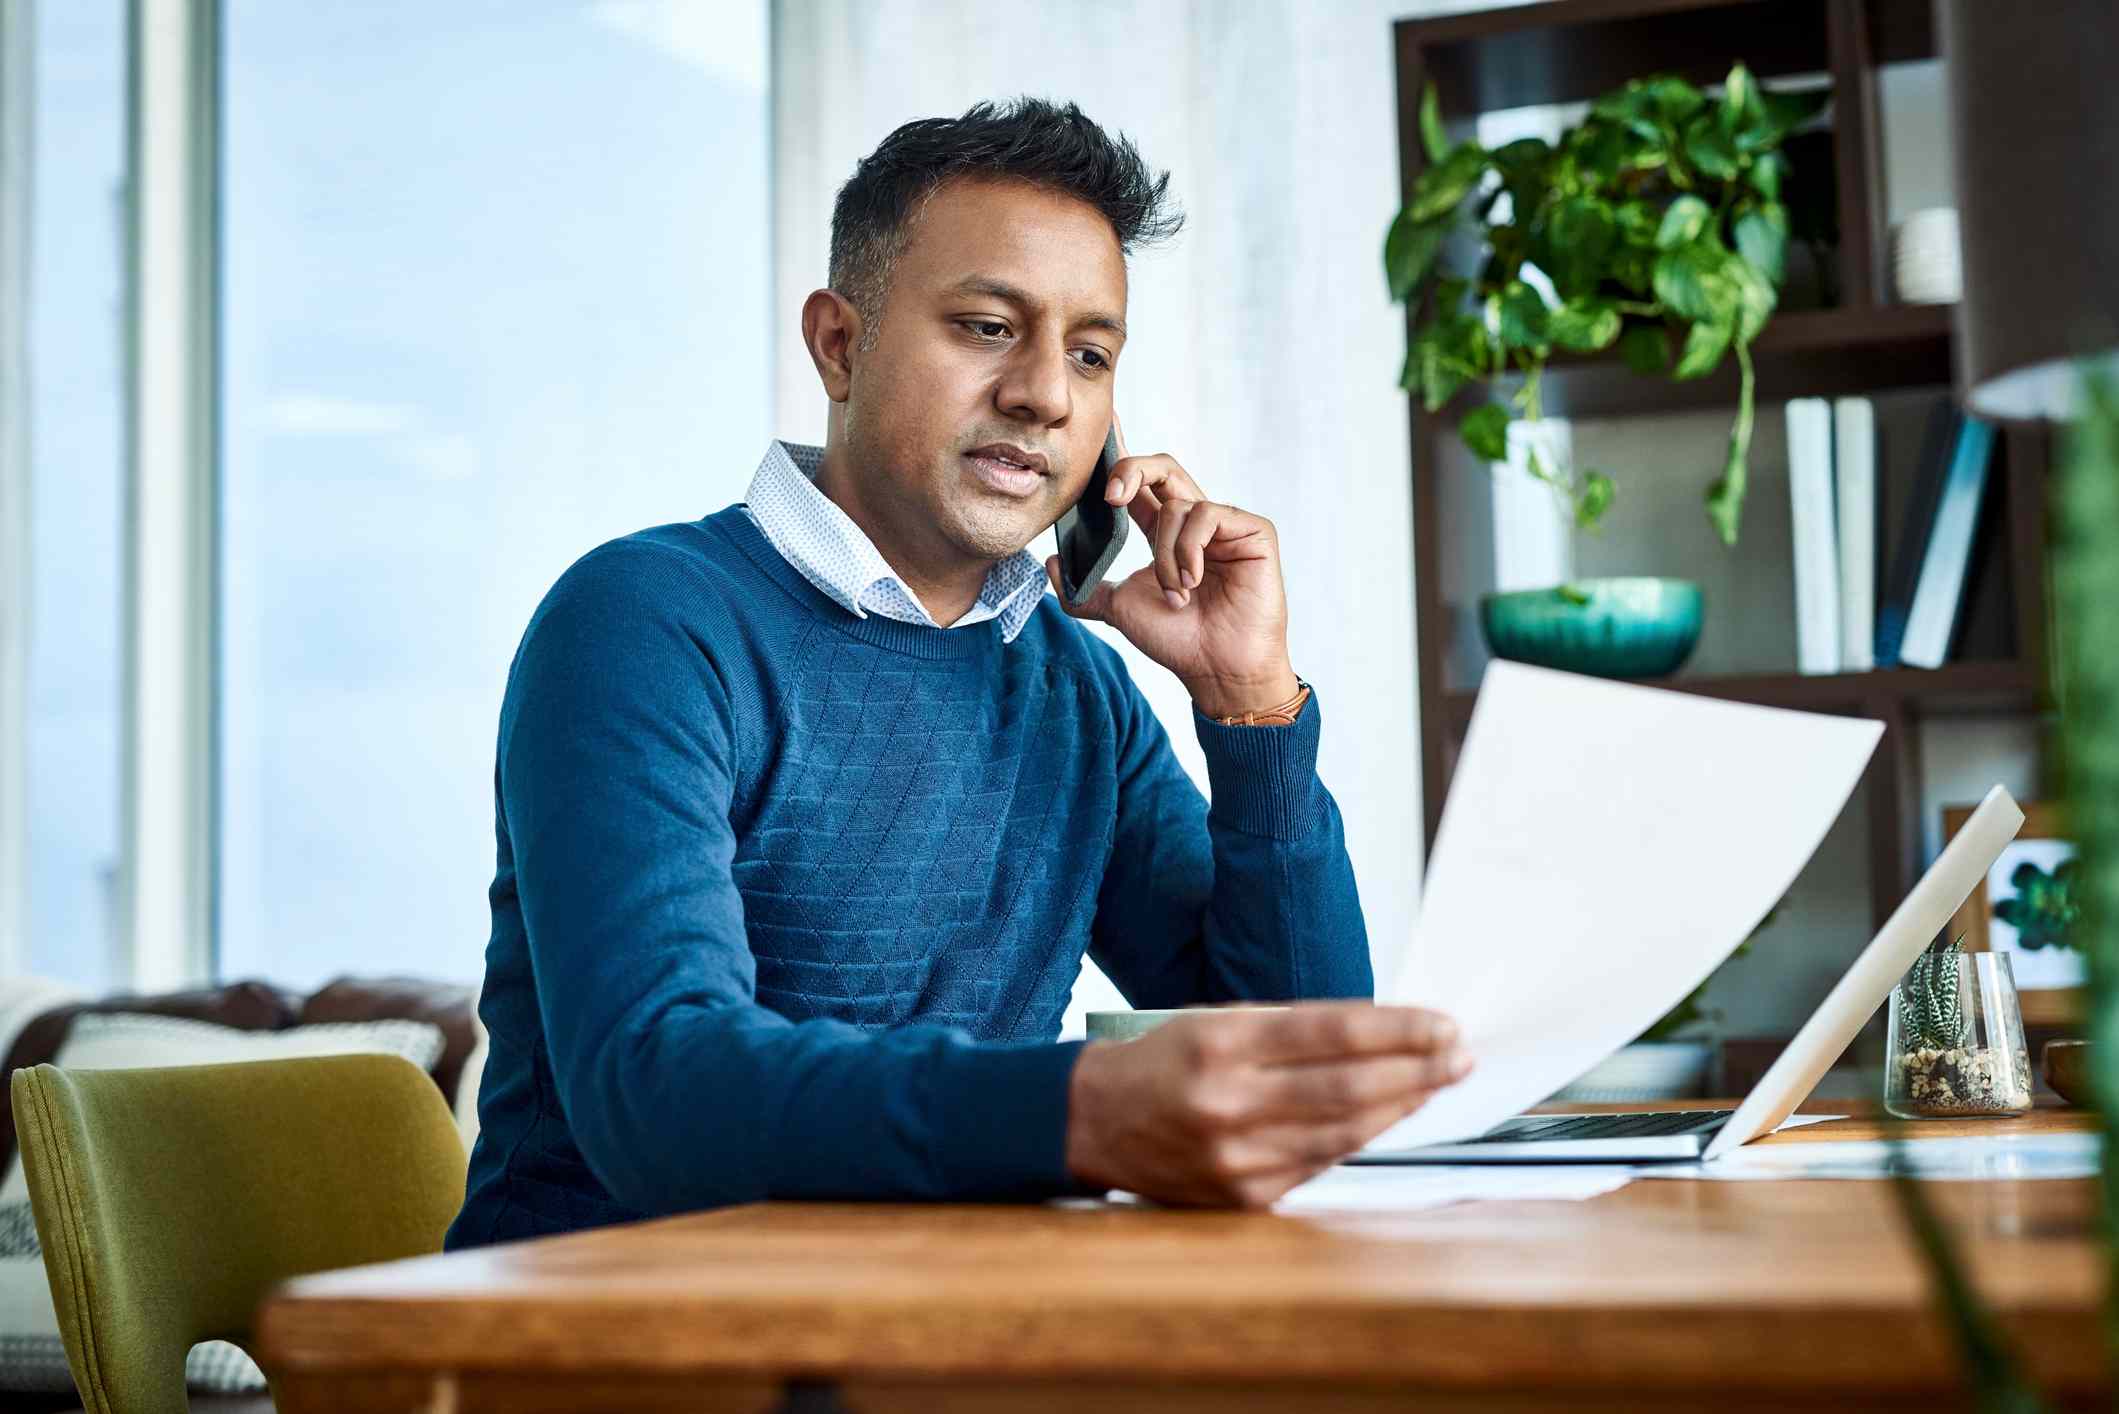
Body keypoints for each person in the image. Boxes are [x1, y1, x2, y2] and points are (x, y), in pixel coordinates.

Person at [445, 97, 1468, 1250]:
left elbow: (1295, 1074)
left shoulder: (1072, 687)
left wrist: (1250, 706)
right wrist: (1075, 1108)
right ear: (839, 343)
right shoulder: (643, 622)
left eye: (1090, 353)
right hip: (608, 1341)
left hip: (942, 1329)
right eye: (988, 327)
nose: (1046, 393)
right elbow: (658, 1085)